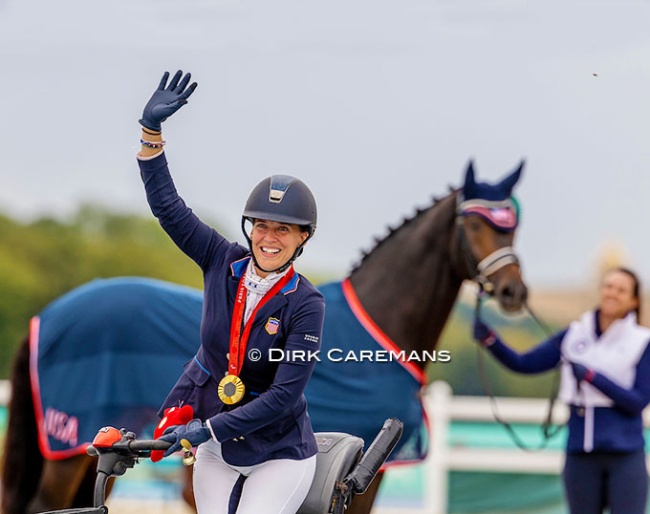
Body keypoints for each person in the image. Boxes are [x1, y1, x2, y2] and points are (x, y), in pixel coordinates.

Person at [136, 70, 325, 514]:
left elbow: (284, 397)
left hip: (279, 452)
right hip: (217, 448)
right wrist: (151, 135)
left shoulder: (307, 304)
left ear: (302, 239)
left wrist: (208, 429)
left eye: (283, 229)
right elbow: (169, 209)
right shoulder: (221, 260)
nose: (269, 237)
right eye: (262, 225)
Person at [473, 267, 650, 514]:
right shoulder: (575, 334)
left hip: (624, 454)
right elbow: (525, 363)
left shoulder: (641, 341)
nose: (612, 293)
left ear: (633, 300)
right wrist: (490, 340)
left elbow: (638, 400)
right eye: (608, 286)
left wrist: (591, 377)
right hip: (580, 453)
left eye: (621, 290)